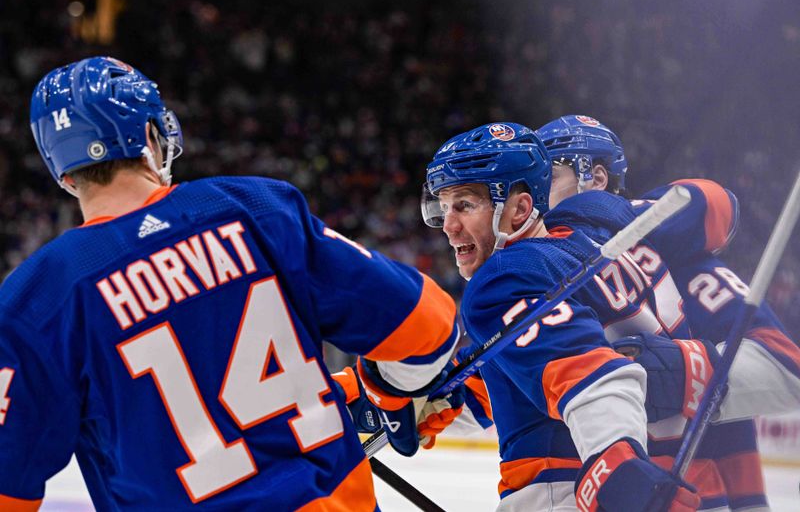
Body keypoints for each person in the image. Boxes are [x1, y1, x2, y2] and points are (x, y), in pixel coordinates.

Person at [0, 56, 461, 511]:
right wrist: (386, 392)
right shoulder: (254, 207)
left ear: (60, 169)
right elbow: (429, 326)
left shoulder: (37, 298)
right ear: (148, 136)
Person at [416, 122, 699, 511]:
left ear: (519, 208)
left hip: (559, 491)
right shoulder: (577, 252)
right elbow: (526, 364)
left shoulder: (504, 276)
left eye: (464, 205)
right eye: (443, 207)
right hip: (643, 468)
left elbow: (584, 371)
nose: (448, 227)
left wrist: (617, 467)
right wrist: (420, 396)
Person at [537, 114, 800, 511]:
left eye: (548, 178)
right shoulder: (538, 267)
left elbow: (786, 366)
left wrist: (675, 368)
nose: (536, 197)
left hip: (682, 491)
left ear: (597, 178)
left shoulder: (673, 255)